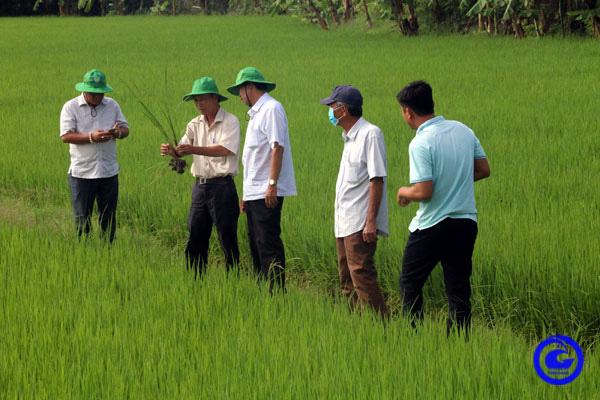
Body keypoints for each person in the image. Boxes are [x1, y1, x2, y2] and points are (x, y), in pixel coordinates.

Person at [395, 80, 490, 336]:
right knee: (458, 289)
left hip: (432, 225)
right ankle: (458, 345)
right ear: (433, 104)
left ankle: (412, 339)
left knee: (410, 282)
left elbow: (423, 193)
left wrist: (403, 192)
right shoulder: (464, 131)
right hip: (465, 224)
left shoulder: (420, 142)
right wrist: (454, 180)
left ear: (407, 112)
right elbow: (483, 170)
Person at [320, 85, 389, 318]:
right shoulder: (349, 139)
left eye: (332, 107)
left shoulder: (370, 134)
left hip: (359, 223)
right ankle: (356, 327)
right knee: (347, 279)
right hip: (344, 221)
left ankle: (382, 330)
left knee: (362, 275)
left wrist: (371, 222)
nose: (330, 111)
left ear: (343, 110)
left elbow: (376, 179)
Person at [161, 77, 241, 279]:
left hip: (223, 187)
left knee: (227, 237)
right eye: (196, 100)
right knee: (195, 235)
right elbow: (183, 150)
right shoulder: (194, 124)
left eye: (203, 99)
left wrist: (194, 149)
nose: (199, 104)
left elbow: (225, 149)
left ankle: (233, 279)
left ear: (215, 97)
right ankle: (195, 280)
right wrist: (172, 151)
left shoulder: (230, 121)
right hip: (200, 187)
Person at [226, 67, 297, 294]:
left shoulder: (271, 109)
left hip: (267, 191)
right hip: (254, 191)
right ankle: (262, 291)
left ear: (249, 87)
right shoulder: (257, 113)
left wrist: (272, 185)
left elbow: (277, 148)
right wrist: (246, 195)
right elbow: (254, 158)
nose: (239, 96)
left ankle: (276, 293)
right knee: (255, 243)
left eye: (240, 90)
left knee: (268, 243)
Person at [60, 69, 130, 243]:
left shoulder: (112, 105)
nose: (97, 97)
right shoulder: (71, 107)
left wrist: (116, 133)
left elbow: (125, 129)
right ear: (84, 90)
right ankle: (85, 252)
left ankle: (107, 251)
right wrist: (92, 137)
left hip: (108, 171)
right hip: (82, 173)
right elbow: (66, 136)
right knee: (83, 218)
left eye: (100, 93)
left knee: (109, 217)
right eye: (93, 94)